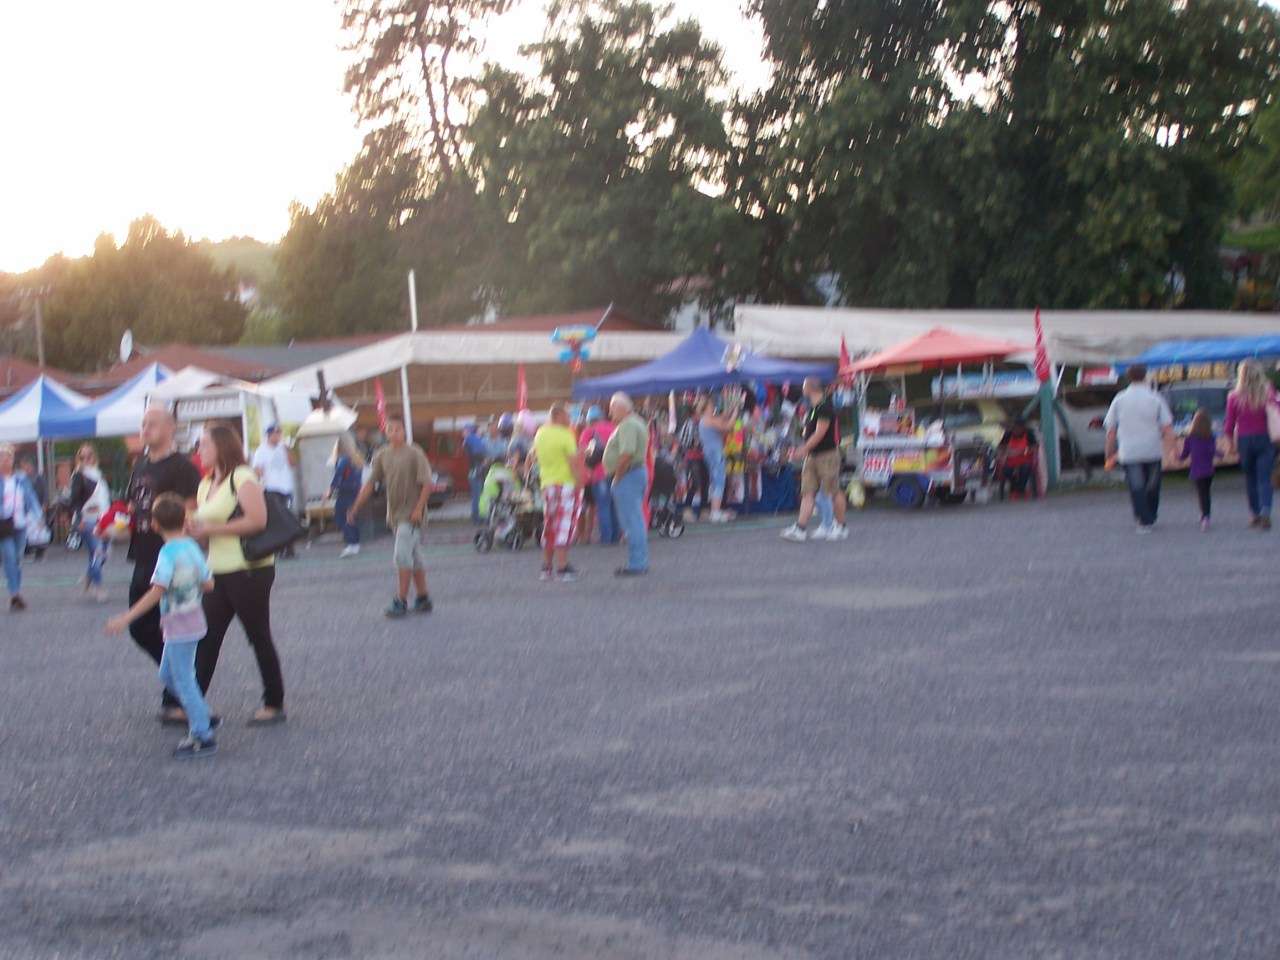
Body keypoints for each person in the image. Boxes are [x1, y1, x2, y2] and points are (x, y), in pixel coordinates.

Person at [106, 493, 219, 759]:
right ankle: (200, 712)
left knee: (182, 678)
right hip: (192, 619)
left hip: (179, 625)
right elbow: (209, 584)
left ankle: (202, 734)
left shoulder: (167, 554)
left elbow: (156, 592)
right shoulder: (192, 548)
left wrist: (126, 618)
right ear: (184, 520)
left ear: (155, 525)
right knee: (168, 674)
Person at [189, 422, 287, 725]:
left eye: (204, 444)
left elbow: (257, 520)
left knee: (258, 636)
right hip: (216, 571)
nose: (199, 450)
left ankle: (274, 703)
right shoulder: (205, 484)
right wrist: (196, 534)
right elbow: (207, 535)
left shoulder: (242, 477)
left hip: (249, 570)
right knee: (207, 639)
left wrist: (212, 529)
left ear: (221, 446)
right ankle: (193, 703)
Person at [125, 405, 203, 721]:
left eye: (153, 424)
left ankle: (180, 696)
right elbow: (134, 506)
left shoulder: (182, 467)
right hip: (143, 555)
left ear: (170, 429)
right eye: (143, 423)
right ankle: (182, 683)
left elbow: (190, 512)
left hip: (170, 558)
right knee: (140, 627)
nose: (145, 429)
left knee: (170, 627)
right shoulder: (140, 465)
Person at [348, 414, 434, 618]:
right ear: (385, 432)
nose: (393, 433)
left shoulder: (414, 453)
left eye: (397, 429)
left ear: (404, 431)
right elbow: (370, 483)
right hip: (395, 514)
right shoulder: (382, 455)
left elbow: (427, 484)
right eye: (390, 429)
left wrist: (418, 509)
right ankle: (423, 597)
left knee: (401, 556)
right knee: (414, 556)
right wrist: (355, 507)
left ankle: (401, 600)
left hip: (411, 514)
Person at [1103, 364, 1174, 533]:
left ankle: (1143, 519)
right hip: (1152, 449)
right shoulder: (1155, 397)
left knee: (1137, 487)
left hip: (1129, 451)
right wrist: (1172, 449)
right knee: (1152, 486)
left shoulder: (1119, 399)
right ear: (1145, 377)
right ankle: (1151, 514)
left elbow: (1111, 429)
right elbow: (1167, 427)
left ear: (1128, 378)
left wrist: (1109, 452)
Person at [781, 378, 849, 542]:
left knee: (833, 490)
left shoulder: (824, 407)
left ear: (809, 388)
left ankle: (841, 526)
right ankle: (800, 528)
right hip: (812, 455)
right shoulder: (813, 408)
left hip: (827, 455)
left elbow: (819, 434)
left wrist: (802, 450)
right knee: (808, 491)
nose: (802, 390)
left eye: (804, 386)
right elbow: (810, 432)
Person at [533, 401, 587, 582]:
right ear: (559, 416)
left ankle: (547, 567)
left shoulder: (540, 433)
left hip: (547, 483)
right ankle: (562, 568)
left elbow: (538, 456)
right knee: (564, 524)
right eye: (568, 415)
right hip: (565, 483)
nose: (570, 419)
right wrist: (580, 483)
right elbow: (573, 464)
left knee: (550, 525)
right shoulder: (566, 435)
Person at [1223, 359, 1278, 531]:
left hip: (1244, 440)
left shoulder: (1234, 397)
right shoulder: (1268, 393)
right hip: (1265, 439)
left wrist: (1230, 444)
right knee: (1265, 479)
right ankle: (1266, 509)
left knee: (1250, 479)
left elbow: (1229, 424)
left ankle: (1255, 514)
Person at [604, 392, 651, 576]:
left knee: (631, 522)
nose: (610, 412)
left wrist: (617, 478)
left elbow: (626, 454)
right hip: (635, 473)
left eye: (612, 408)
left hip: (627, 476)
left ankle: (637, 563)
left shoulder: (628, 425)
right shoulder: (637, 422)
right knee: (635, 520)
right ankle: (639, 561)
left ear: (621, 407)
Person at [0, 443, 42, 612]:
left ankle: (16, 591)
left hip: (20, 524)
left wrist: (38, 517)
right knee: (9, 557)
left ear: (13, 460)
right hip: (3, 525)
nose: (5, 460)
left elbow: (31, 498)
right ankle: (15, 593)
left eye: (8, 457)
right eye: (2, 457)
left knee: (18, 558)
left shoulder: (20, 478)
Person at [69, 444, 113, 601]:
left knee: (104, 553)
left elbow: (106, 497)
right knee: (98, 552)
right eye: (82, 457)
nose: (86, 459)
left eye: (89, 456)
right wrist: (79, 518)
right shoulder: (78, 476)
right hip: (87, 519)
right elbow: (74, 500)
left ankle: (89, 575)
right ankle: (98, 587)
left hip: (103, 518)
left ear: (94, 457)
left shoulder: (99, 474)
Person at [252, 424, 298, 558]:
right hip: (272, 488)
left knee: (288, 517)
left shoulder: (283, 447)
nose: (278, 436)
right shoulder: (261, 450)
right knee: (277, 519)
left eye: (279, 434)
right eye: (275, 434)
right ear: (269, 435)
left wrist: (288, 451)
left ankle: (289, 548)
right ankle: (279, 548)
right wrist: (260, 480)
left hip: (286, 487)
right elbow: (257, 469)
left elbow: (293, 464)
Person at [579, 405, 618, 545]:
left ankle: (606, 538)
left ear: (589, 419)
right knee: (614, 505)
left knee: (603, 506)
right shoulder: (614, 427)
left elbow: (583, 452)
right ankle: (615, 537)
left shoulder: (588, 431)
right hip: (616, 471)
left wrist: (586, 470)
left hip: (598, 473)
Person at [697, 396, 737, 523]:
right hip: (715, 453)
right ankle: (715, 512)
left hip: (710, 453)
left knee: (716, 481)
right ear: (706, 407)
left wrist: (728, 409)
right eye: (711, 405)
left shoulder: (705, 420)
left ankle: (716, 510)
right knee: (719, 481)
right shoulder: (708, 420)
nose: (713, 406)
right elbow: (728, 426)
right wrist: (736, 411)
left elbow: (722, 418)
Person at [1179, 408, 1218, 532]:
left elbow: (1185, 454)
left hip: (1196, 471)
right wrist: (1221, 454)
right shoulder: (1211, 437)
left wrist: (1178, 457)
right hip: (1209, 471)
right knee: (1207, 493)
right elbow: (1212, 452)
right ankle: (1206, 515)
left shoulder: (1190, 438)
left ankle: (1203, 515)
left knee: (1201, 494)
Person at [328, 433, 366, 557]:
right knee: (352, 515)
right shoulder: (357, 458)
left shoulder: (343, 459)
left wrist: (330, 491)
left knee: (341, 516)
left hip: (344, 491)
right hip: (355, 490)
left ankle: (352, 542)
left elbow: (337, 475)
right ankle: (356, 542)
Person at [997, 418, 1039, 501]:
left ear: (1023, 428)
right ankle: (1020, 491)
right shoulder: (1008, 434)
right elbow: (1000, 447)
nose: (1016, 430)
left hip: (1025, 458)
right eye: (1014, 428)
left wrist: (1023, 451)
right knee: (1007, 470)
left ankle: (1017, 490)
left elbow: (1035, 447)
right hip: (1011, 459)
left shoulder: (1029, 434)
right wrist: (1006, 450)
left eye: (1018, 428)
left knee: (1025, 468)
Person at [17, 455, 48, 561]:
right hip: (25, 509)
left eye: (26, 466)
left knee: (39, 530)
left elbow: (45, 492)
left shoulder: (38, 478)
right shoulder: (21, 479)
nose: (24, 469)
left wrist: (43, 505)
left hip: (37, 506)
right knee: (27, 530)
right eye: (22, 467)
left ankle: (40, 551)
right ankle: (27, 549)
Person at [462, 422, 489, 524]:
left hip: (474, 470)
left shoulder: (467, 441)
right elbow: (477, 453)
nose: (463, 432)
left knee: (477, 495)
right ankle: (478, 517)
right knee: (479, 495)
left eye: (465, 430)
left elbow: (472, 455)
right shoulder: (474, 440)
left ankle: (477, 518)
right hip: (478, 469)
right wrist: (484, 460)